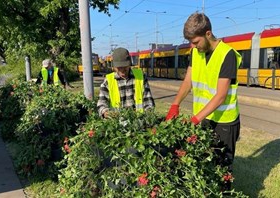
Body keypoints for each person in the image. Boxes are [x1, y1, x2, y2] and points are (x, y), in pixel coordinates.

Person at [165, 12, 242, 189]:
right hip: (203, 119)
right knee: (203, 164)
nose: (193, 46)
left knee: (222, 169)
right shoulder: (195, 53)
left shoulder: (227, 55)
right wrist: (175, 104)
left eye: (195, 42)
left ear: (208, 34)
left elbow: (221, 95)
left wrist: (194, 120)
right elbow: (188, 82)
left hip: (225, 122)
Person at [97, 47, 155, 118]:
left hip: (138, 122)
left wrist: (148, 114)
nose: (122, 70)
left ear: (129, 64)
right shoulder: (108, 80)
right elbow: (101, 103)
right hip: (117, 123)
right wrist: (105, 112)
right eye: (119, 68)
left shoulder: (140, 77)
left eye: (125, 67)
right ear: (114, 67)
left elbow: (148, 101)